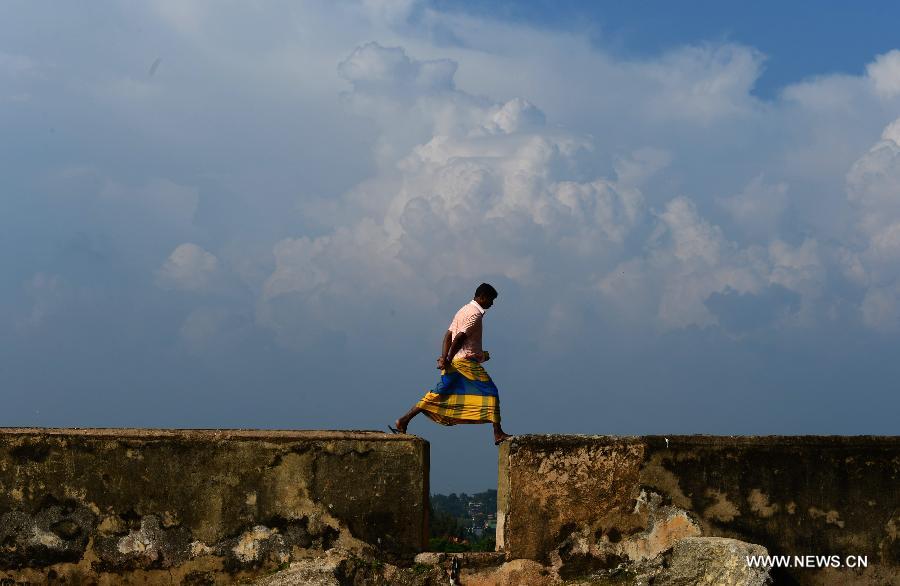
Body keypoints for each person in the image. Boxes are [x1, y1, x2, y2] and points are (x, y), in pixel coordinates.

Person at [391, 283, 512, 446]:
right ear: (482, 297)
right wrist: (447, 358)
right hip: (465, 363)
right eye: (491, 300)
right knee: (490, 391)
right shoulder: (474, 314)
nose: (492, 304)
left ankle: (404, 420)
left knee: (439, 392)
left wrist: (445, 357)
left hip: (456, 361)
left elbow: (448, 336)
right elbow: (459, 337)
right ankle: (497, 433)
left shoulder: (463, 310)